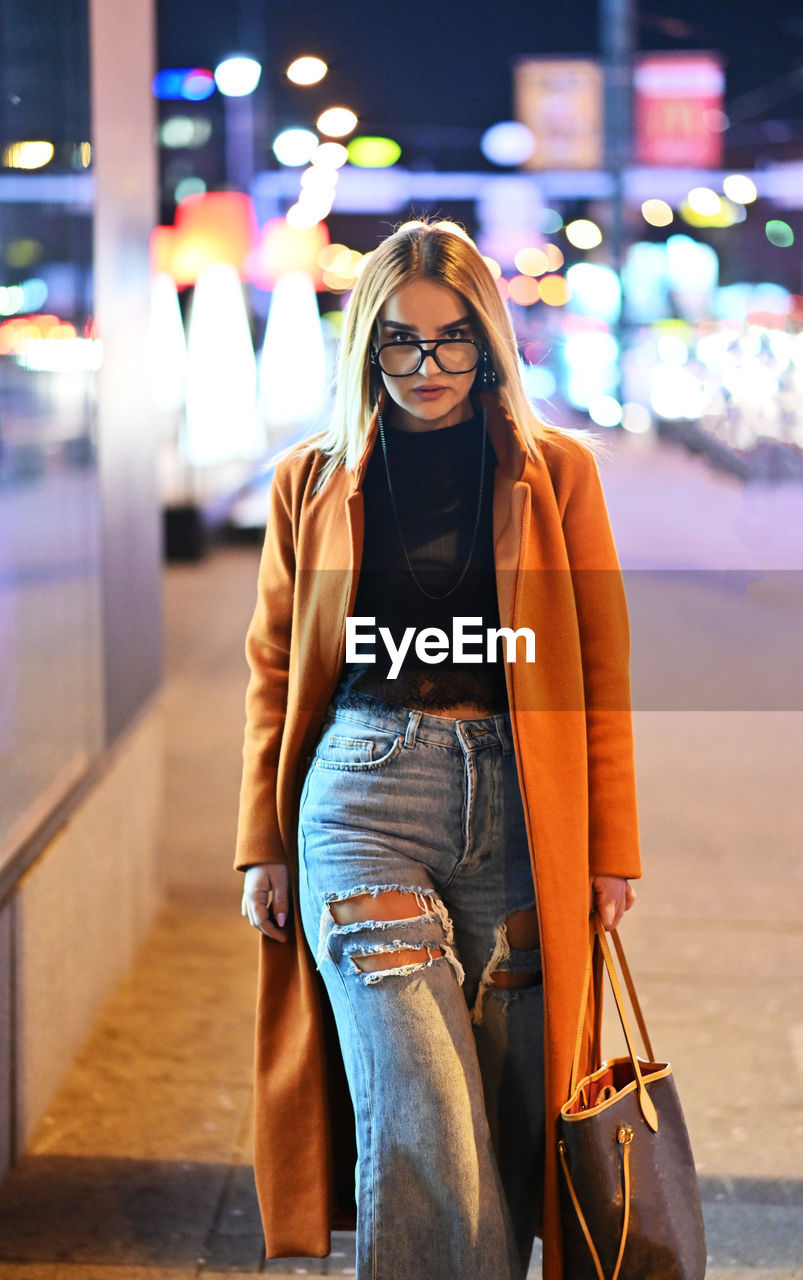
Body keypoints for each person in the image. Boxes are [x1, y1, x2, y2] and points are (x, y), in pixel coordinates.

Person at [235, 219, 641, 1280]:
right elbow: (274, 668)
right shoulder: (311, 479)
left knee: (506, 1116)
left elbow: (601, 671)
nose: (428, 366)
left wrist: (611, 848)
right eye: (401, 343)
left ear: (490, 342)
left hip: (519, 808)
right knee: (423, 1101)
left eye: (453, 339)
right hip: (363, 801)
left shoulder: (558, 475)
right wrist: (261, 845)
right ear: (366, 346)